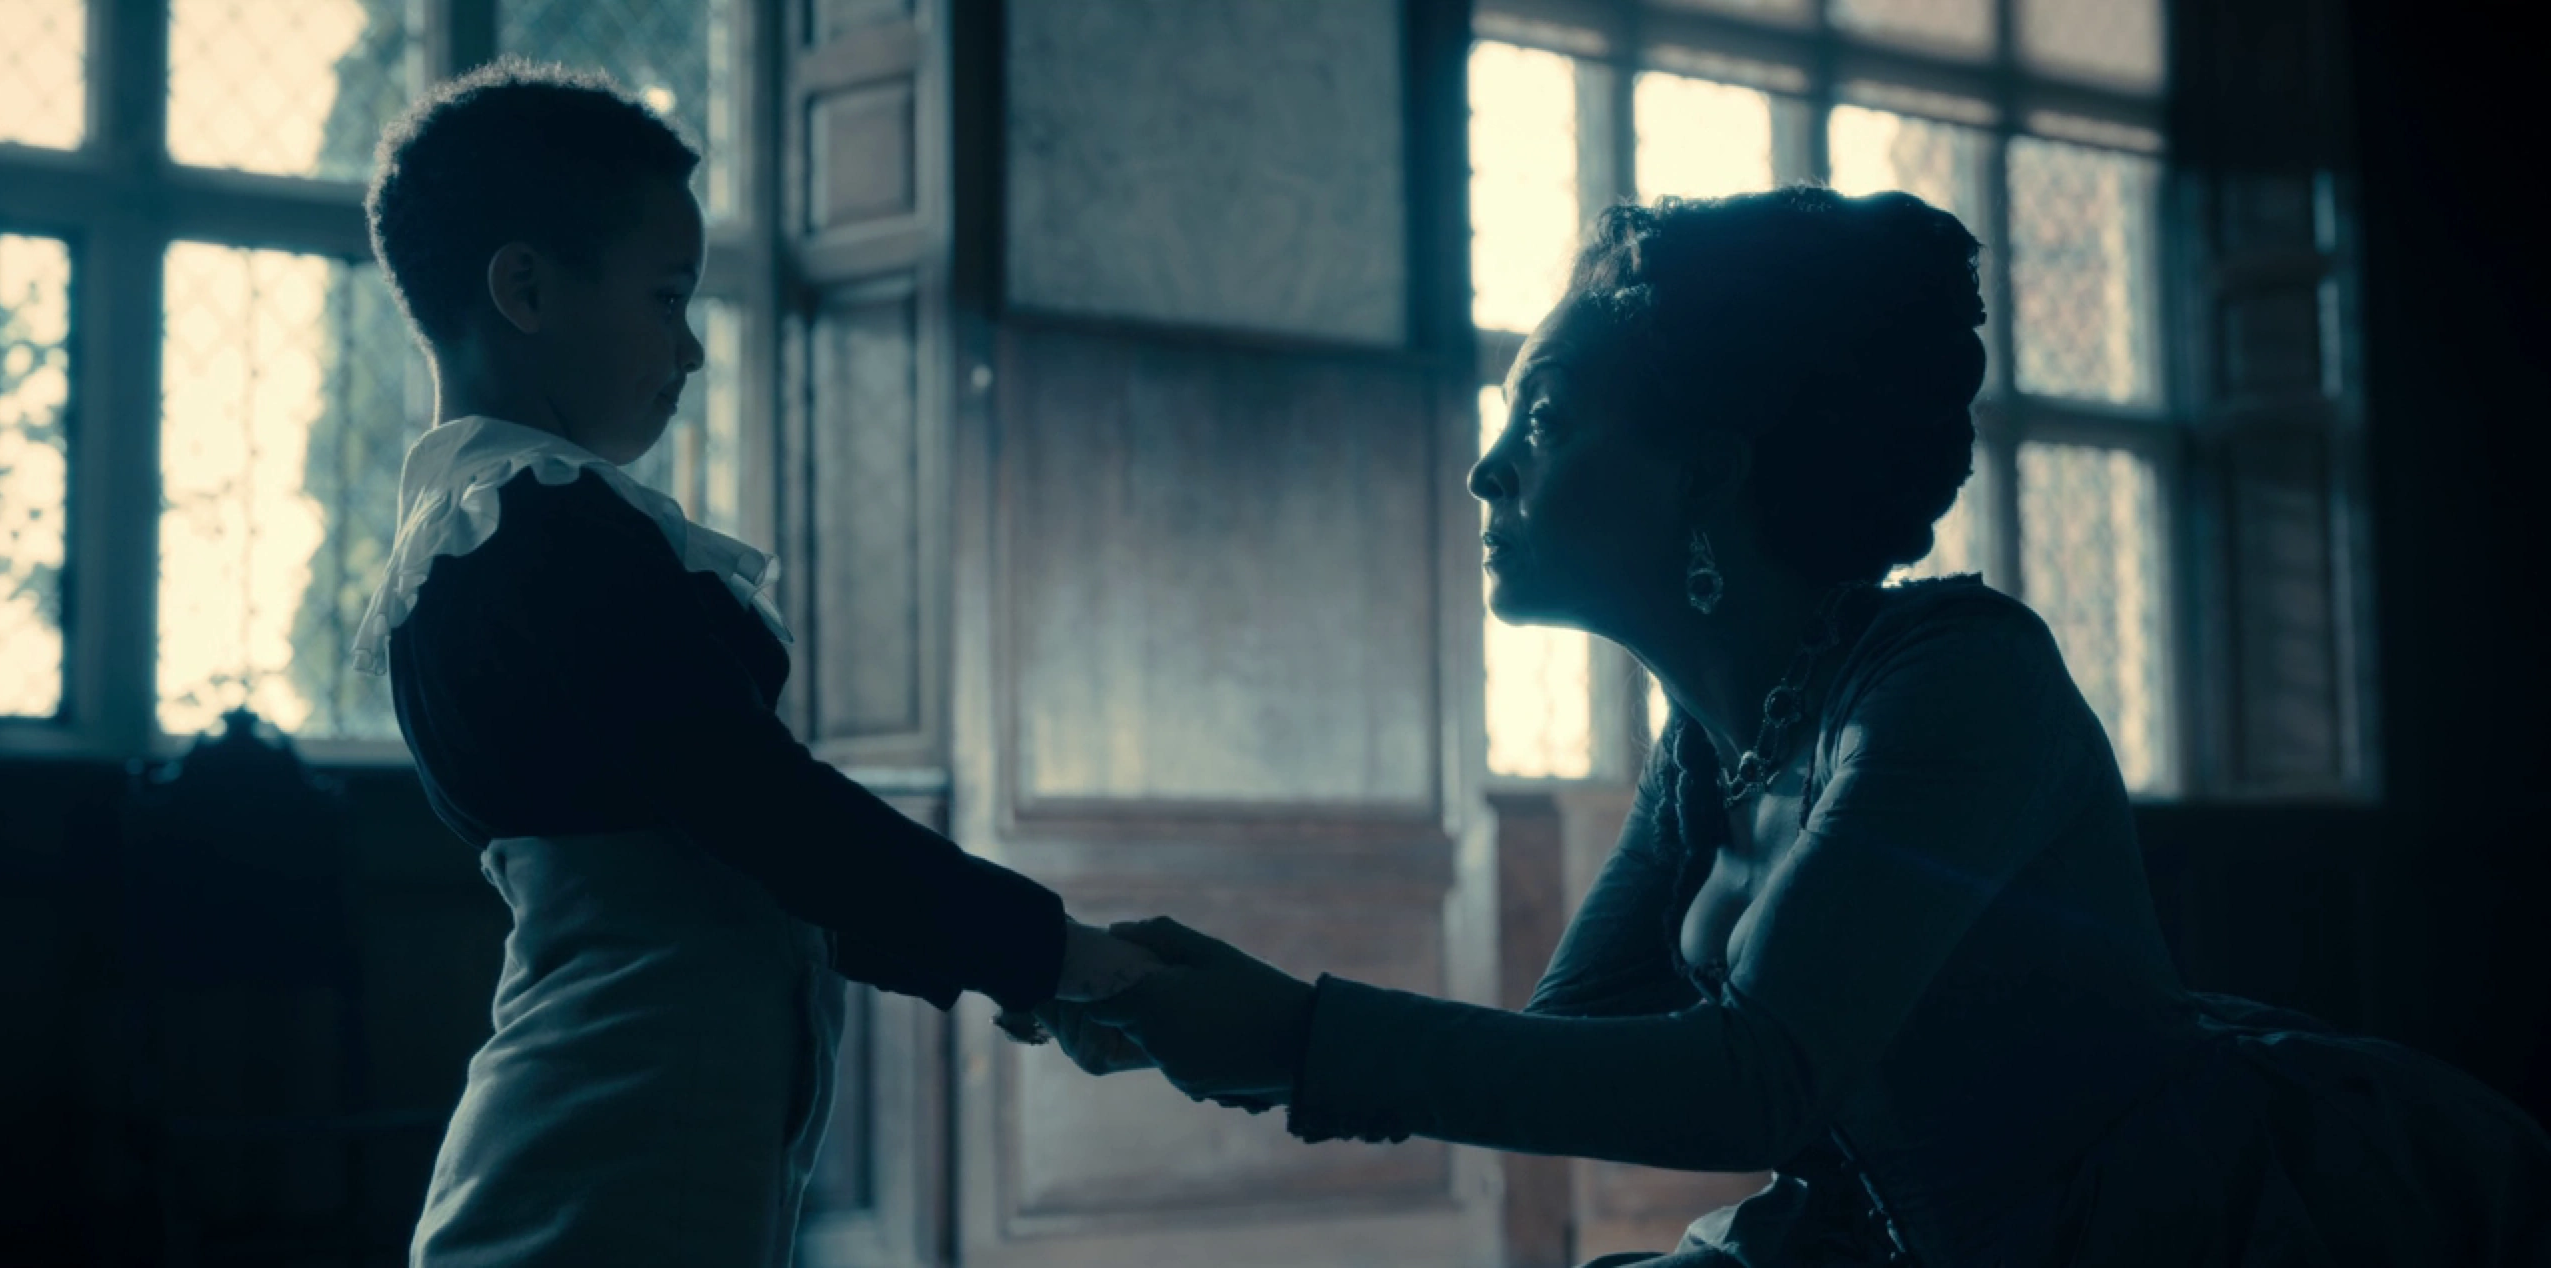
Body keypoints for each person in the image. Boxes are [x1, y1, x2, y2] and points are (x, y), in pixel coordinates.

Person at [1045, 188, 2551, 1265]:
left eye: (1545, 417)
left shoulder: (1958, 679)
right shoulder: (1718, 734)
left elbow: (1752, 1080)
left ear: (1706, 472)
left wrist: (1300, 1034)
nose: (1488, 471)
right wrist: (1214, 1022)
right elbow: (1573, 1047)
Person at [349, 59, 1156, 1267]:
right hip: (613, 1144)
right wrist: (1056, 953)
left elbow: (747, 860)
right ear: (525, 287)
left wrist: (1032, 975)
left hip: (628, 1122)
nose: (690, 350)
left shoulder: (489, 534)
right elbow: (766, 809)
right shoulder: (535, 524)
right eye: (667, 298)